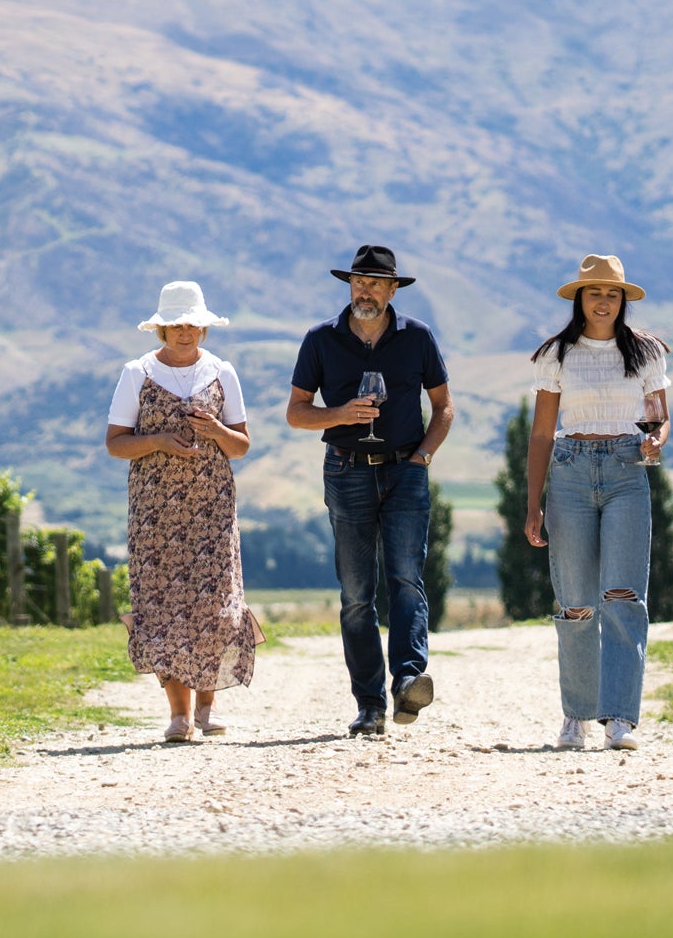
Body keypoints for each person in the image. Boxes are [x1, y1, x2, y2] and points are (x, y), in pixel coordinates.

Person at [288, 243, 455, 737]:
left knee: (406, 579)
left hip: (405, 470)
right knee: (357, 594)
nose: (365, 290)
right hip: (346, 472)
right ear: (350, 286)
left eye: (375, 283)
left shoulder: (417, 338)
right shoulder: (320, 340)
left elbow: (444, 406)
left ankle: (407, 679)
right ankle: (370, 704)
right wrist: (340, 414)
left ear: (392, 289)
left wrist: (422, 457)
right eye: (358, 282)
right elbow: (296, 412)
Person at [522, 254, 670, 751]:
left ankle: (621, 717)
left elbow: (660, 419)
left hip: (628, 470)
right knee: (577, 601)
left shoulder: (646, 352)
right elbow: (543, 433)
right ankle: (577, 714)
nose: (603, 301)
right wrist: (533, 503)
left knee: (623, 595)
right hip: (569, 471)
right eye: (594, 293)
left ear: (622, 300)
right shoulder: (557, 354)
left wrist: (656, 442)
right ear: (579, 300)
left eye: (612, 293)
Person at [105, 280, 260, 743]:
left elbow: (242, 446)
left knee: (214, 605)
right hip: (155, 511)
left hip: (211, 508)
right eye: (175, 324)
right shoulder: (137, 372)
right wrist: (157, 442)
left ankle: (208, 707)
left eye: (191, 324)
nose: (184, 332)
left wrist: (213, 429)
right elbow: (115, 443)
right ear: (162, 328)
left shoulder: (222, 373)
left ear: (203, 328)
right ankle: (179, 715)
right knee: (162, 606)